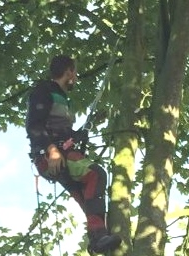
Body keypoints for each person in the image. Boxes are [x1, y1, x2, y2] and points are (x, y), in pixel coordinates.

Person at [25, 55, 121, 254]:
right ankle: (99, 236)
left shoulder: (61, 97)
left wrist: (78, 135)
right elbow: (34, 125)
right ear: (69, 71)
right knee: (96, 174)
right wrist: (51, 150)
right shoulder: (44, 90)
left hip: (61, 153)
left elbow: (60, 131)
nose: (75, 77)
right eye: (74, 72)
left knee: (86, 197)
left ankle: (97, 240)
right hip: (51, 155)